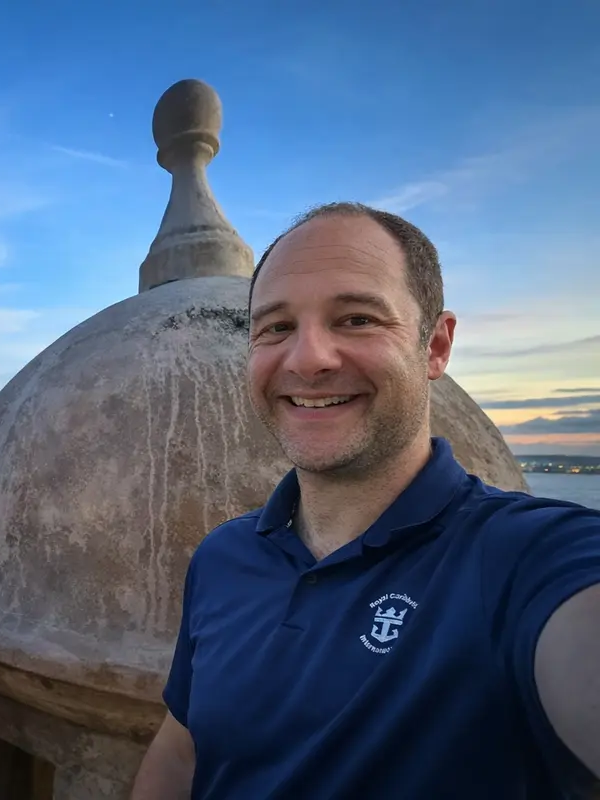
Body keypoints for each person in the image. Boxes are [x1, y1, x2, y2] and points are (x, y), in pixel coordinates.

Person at [130, 202, 600, 799]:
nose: (307, 358)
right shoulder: (224, 557)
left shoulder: (521, 560)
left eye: (355, 318)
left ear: (434, 346)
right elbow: (182, 753)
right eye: (275, 327)